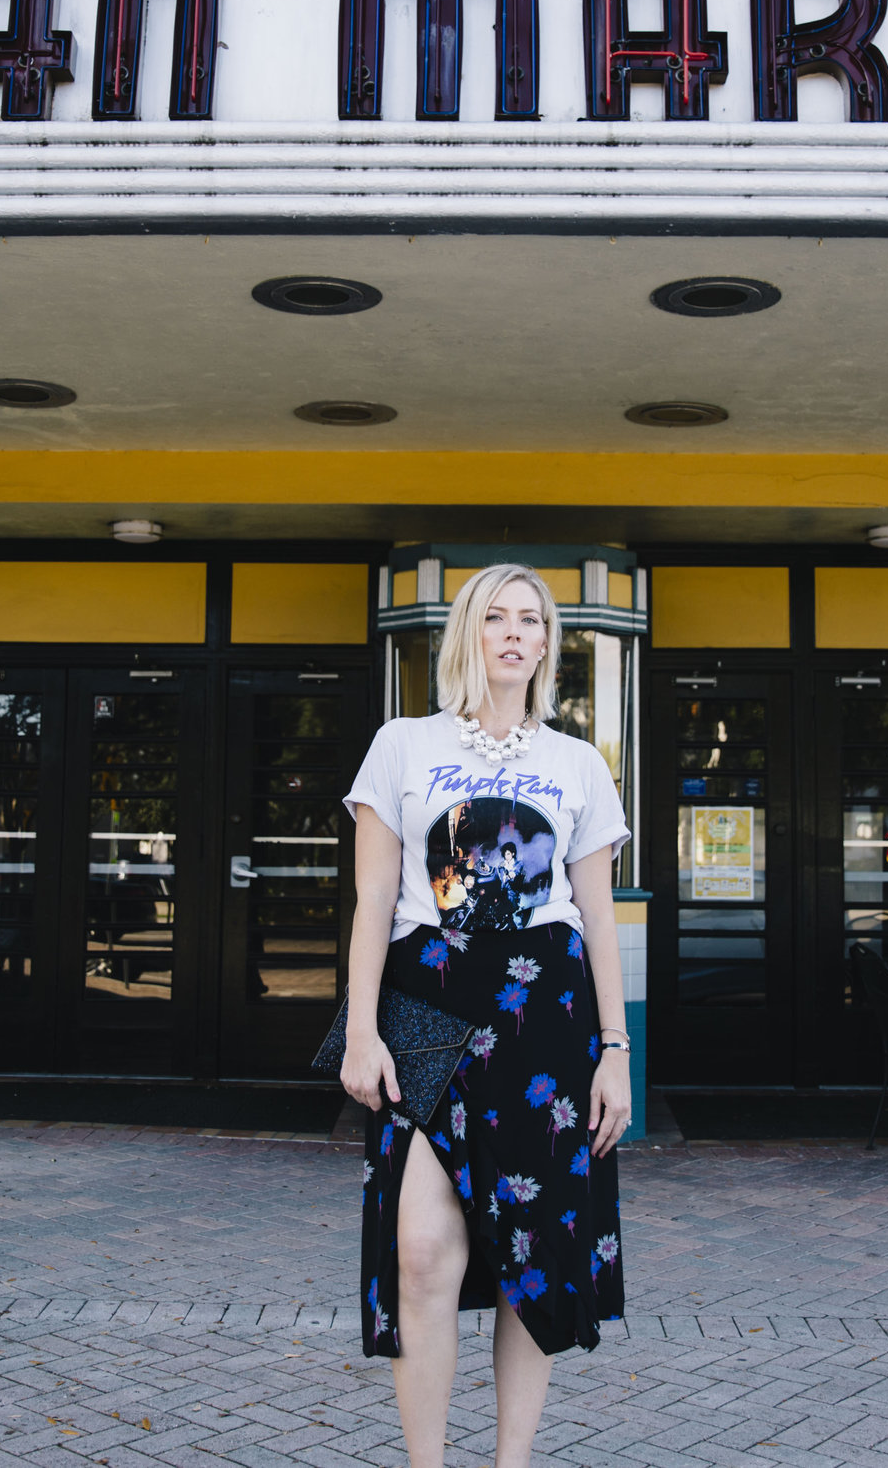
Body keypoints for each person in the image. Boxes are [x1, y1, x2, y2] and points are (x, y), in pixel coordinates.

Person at [340, 562, 634, 1468]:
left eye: (531, 619)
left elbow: (594, 914)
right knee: (423, 1248)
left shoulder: (577, 761)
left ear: (548, 642)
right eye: (495, 617)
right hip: (424, 1001)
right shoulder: (401, 743)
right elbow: (373, 896)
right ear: (468, 634)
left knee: (529, 1254)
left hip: (545, 1011)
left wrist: (617, 1047)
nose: (514, 632)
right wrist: (359, 1027)